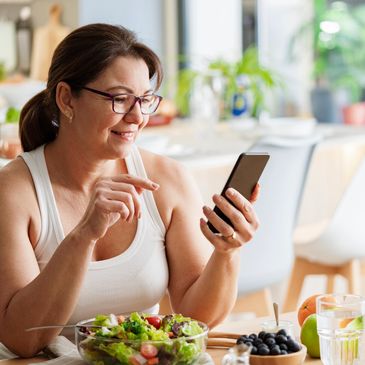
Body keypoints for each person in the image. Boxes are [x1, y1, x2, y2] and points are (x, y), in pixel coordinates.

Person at [0, 23, 260, 357]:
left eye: (145, 99)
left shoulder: (168, 180)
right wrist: (84, 236)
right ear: (66, 99)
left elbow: (195, 320)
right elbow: (23, 340)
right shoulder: (14, 192)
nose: (137, 116)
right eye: (120, 99)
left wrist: (227, 253)